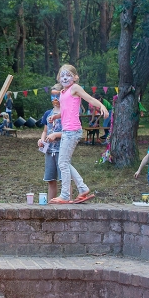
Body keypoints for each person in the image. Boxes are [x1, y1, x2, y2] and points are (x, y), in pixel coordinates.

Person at [49, 64, 108, 204]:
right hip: (66, 130)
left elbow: (90, 99)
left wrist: (102, 106)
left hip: (72, 131)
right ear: (58, 78)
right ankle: (82, 188)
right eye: (62, 75)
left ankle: (65, 195)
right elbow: (66, 110)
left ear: (75, 77)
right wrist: (56, 117)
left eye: (68, 75)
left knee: (62, 162)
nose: (64, 78)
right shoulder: (63, 92)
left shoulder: (75, 88)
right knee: (64, 162)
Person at [37, 87, 86, 206]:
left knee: (65, 178)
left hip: (62, 149)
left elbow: (70, 132)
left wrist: (56, 134)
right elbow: (45, 130)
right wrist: (42, 140)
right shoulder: (48, 113)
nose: (54, 99)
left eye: (57, 96)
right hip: (49, 150)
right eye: (52, 96)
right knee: (50, 180)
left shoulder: (66, 113)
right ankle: (51, 204)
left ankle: (66, 201)